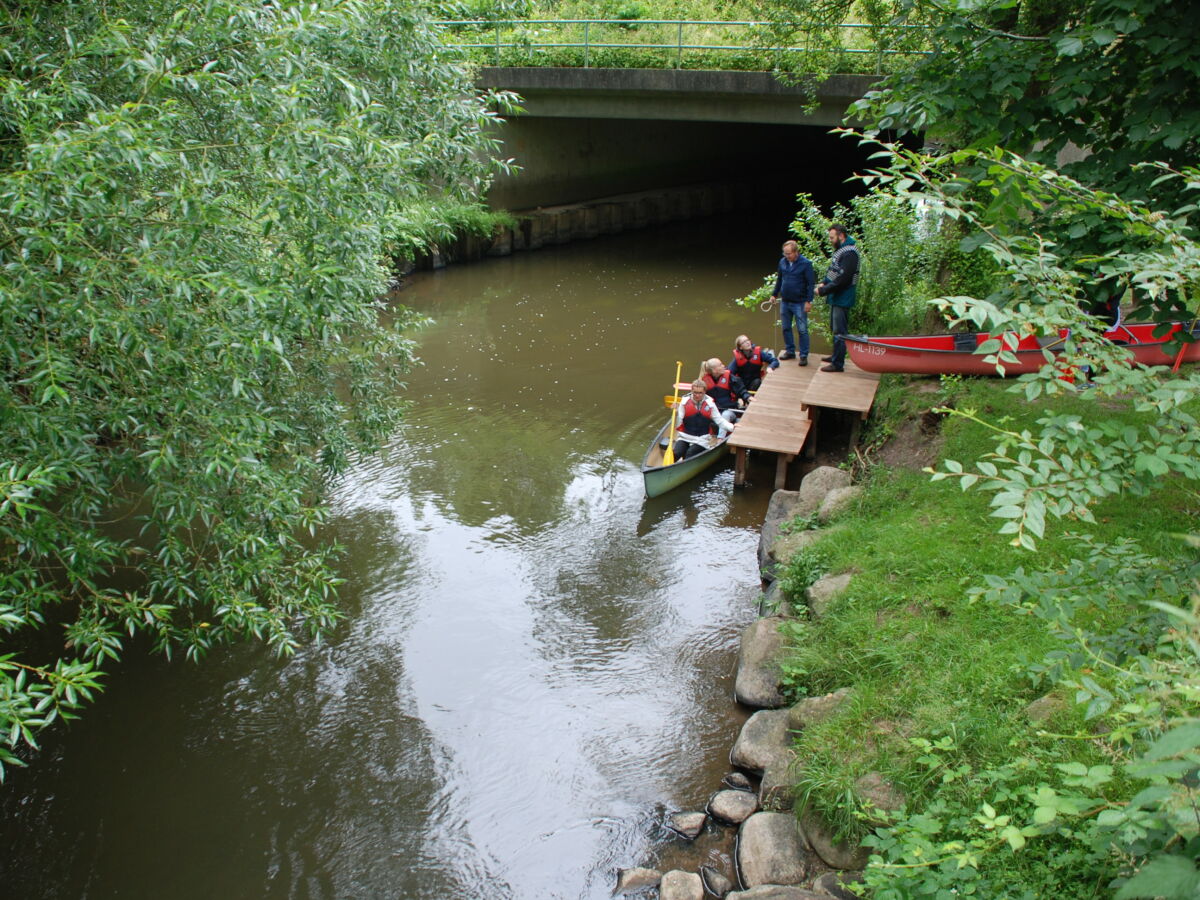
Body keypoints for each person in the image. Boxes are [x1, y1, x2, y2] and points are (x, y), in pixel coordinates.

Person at [814, 224, 860, 373]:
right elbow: (834, 272)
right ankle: (835, 355)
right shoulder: (841, 251)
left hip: (843, 296)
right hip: (836, 296)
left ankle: (838, 364)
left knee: (840, 331)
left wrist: (824, 290)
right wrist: (824, 283)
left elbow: (844, 278)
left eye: (832, 237)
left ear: (841, 236)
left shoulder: (850, 253)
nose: (830, 240)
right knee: (835, 328)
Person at [769, 240, 815, 365]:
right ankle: (790, 351)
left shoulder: (806, 264)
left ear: (796, 252)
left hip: (800, 302)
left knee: (802, 329)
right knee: (786, 328)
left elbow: (811, 284)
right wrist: (774, 294)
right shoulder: (782, 262)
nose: (787, 256)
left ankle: (804, 355)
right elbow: (779, 280)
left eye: (789, 253)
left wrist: (809, 301)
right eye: (785, 253)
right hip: (785, 301)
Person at [671, 379, 735, 461]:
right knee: (676, 454)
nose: (697, 395)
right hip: (685, 437)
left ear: (704, 392)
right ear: (691, 391)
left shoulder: (710, 404)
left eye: (700, 393)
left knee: (690, 454)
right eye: (695, 392)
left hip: (702, 439)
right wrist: (676, 412)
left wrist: (732, 427)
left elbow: (720, 421)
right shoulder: (684, 402)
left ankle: (685, 461)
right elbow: (678, 423)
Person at [700, 358, 748, 423]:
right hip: (714, 410)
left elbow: (741, 390)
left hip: (729, 410)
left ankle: (721, 433)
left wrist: (747, 397)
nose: (723, 366)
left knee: (725, 415)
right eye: (720, 365)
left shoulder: (731, 378)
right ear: (714, 370)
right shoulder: (704, 381)